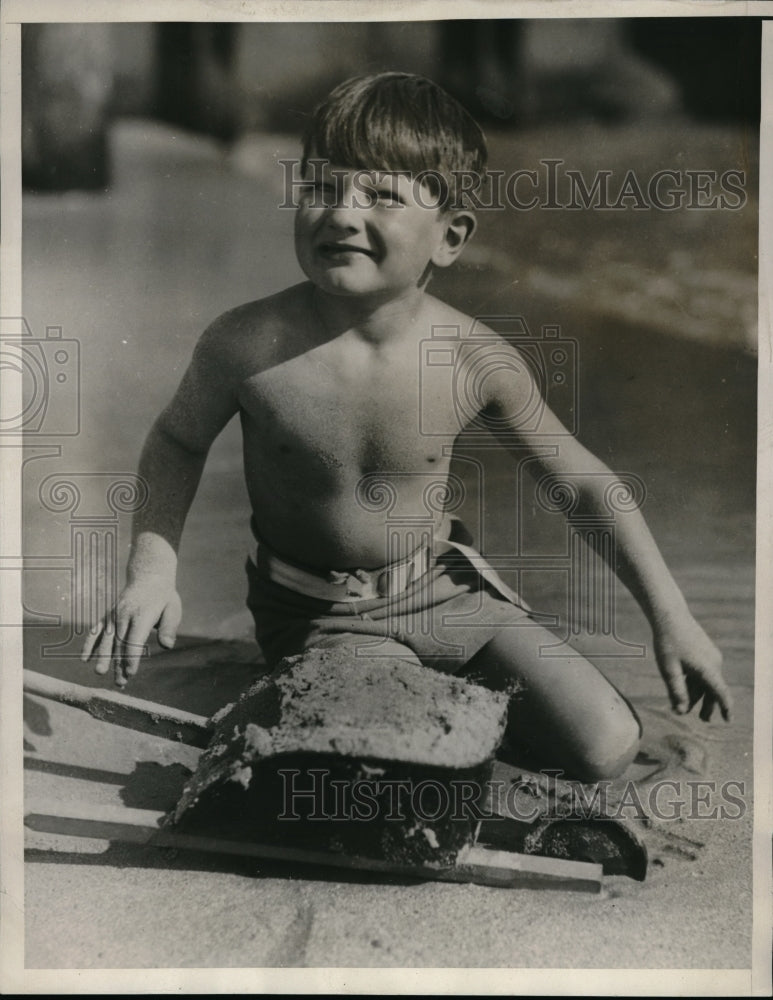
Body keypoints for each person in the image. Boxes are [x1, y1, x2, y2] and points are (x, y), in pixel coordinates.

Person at [81, 72, 731, 782]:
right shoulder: (247, 343)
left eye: (381, 196)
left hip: (445, 593)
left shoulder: (474, 357)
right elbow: (177, 441)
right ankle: (399, 721)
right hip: (323, 613)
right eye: (322, 187)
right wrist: (152, 572)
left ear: (448, 237)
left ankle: (483, 694)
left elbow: (581, 485)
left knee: (604, 748)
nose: (341, 213)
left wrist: (674, 618)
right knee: (388, 753)